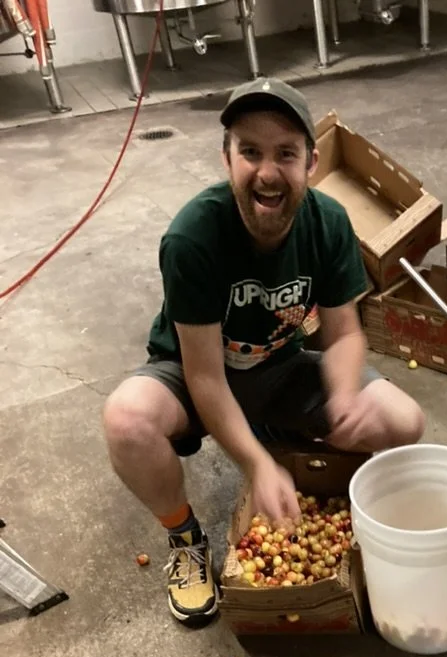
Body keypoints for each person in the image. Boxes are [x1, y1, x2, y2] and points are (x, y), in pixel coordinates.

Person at [103, 78, 425, 628]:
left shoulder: (328, 224)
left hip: (278, 368)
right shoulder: (193, 237)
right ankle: (186, 539)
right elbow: (204, 377)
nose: (268, 172)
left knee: (403, 421)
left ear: (312, 163)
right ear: (226, 158)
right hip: (191, 373)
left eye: (285, 154)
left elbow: (344, 333)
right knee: (127, 421)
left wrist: (345, 398)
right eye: (250, 151)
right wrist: (252, 463)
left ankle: (281, 439)